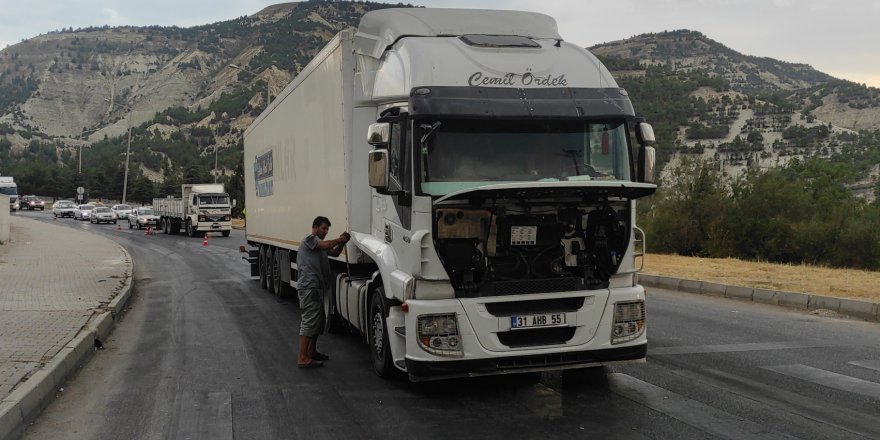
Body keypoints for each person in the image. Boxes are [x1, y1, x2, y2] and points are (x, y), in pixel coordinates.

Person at [296, 216, 350, 368]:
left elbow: (333, 253)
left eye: (327, 229)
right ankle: (302, 357)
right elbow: (325, 245)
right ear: (315, 227)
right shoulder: (310, 239)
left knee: (318, 321)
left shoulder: (320, 247)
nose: (326, 232)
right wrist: (340, 239)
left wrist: (342, 243)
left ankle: (311, 352)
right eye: (323, 228)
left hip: (317, 287)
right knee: (309, 321)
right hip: (309, 287)